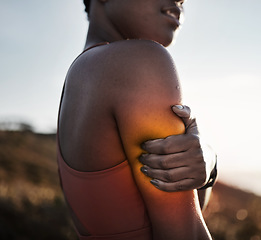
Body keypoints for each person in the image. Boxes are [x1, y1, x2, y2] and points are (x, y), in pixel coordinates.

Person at [57, 0, 217, 239]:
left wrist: (209, 162)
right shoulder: (139, 62)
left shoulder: (81, 77)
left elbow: (191, 209)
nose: (181, 1)